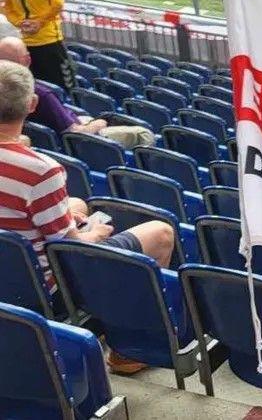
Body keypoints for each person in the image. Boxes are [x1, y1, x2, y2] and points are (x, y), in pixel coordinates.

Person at [0, 59, 174, 373]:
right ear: (32, 104)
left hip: (10, 270)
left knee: (77, 203)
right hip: (42, 287)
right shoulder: (40, 170)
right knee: (161, 233)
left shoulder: (33, 169)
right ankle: (128, 348)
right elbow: (67, 245)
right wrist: (91, 235)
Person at [0, 37, 154, 148]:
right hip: (78, 144)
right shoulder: (41, 94)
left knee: (87, 116)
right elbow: (75, 133)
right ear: (27, 60)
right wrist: (100, 123)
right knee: (143, 133)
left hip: (55, 136)